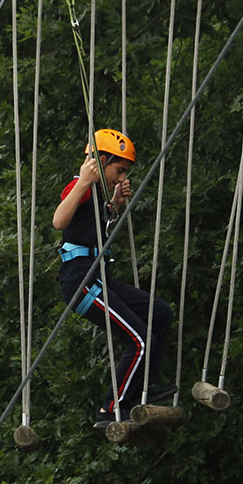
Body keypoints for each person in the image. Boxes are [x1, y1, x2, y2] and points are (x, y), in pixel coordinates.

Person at [53, 128, 174, 426]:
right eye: (119, 170)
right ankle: (111, 408)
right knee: (140, 340)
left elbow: (93, 228)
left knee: (159, 313)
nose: (122, 178)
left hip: (99, 277)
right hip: (81, 282)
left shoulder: (98, 195)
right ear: (101, 161)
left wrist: (114, 206)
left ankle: (143, 386)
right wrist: (83, 181)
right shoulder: (79, 188)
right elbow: (59, 221)